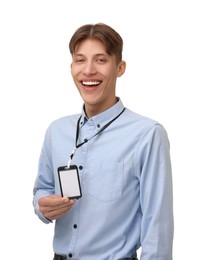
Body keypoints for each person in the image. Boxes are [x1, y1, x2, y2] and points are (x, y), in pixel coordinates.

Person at [33, 23, 174, 260]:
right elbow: (42, 189)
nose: (88, 70)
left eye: (100, 60)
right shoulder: (56, 131)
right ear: (71, 67)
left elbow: (158, 227)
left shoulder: (147, 135)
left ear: (120, 67)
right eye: (80, 60)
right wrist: (42, 206)